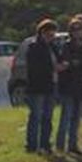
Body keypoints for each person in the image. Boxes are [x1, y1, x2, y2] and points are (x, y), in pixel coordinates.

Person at [25, 18, 64, 153]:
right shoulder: (34, 46)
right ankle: (31, 145)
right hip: (37, 87)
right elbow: (35, 68)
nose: (51, 37)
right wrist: (53, 68)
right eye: (49, 35)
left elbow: (59, 59)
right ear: (42, 32)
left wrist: (63, 65)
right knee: (35, 116)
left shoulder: (53, 46)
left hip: (51, 86)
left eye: (53, 35)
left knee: (48, 117)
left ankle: (45, 144)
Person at [55, 16, 82, 154]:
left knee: (77, 118)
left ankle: (73, 145)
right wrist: (72, 63)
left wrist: (76, 65)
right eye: (74, 29)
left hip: (81, 86)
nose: (77, 32)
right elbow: (65, 61)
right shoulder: (66, 45)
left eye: (80, 29)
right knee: (65, 117)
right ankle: (60, 145)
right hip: (68, 86)